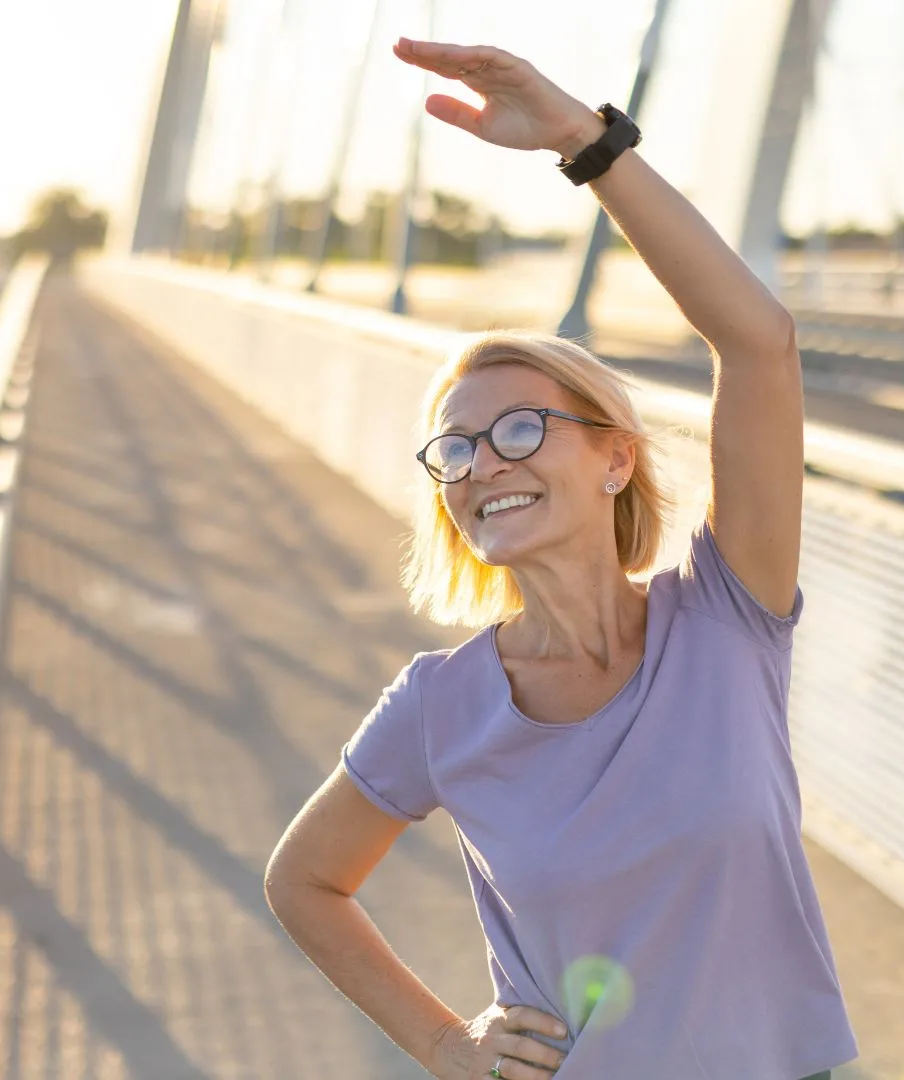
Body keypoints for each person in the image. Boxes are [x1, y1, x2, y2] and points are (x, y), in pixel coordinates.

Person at [262, 37, 858, 1080]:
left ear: (616, 458)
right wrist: (446, 1042)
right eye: (456, 448)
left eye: (523, 430)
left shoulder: (728, 618)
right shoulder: (440, 706)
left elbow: (759, 343)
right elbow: (304, 880)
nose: (483, 463)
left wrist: (587, 145)